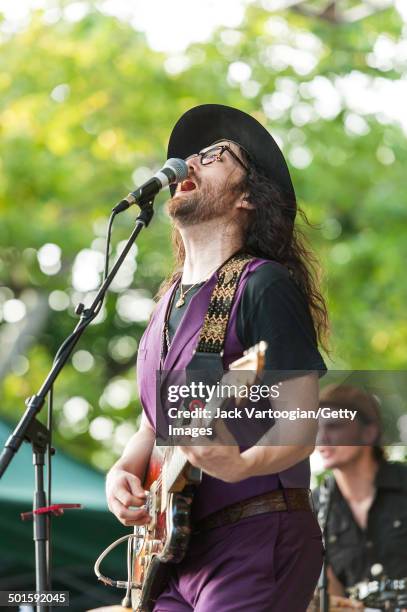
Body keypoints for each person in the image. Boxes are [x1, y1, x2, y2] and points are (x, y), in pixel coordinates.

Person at [106, 104, 329, 611]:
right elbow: (154, 426)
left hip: (252, 538)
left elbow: (300, 426)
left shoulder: (263, 285)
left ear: (247, 197)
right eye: (191, 156)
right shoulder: (164, 305)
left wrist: (242, 461)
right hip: (171, 555)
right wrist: (122, 470)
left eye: (214, 155)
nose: (190, 162)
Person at [313, 384, 407, 610]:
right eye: (315, 428)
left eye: (334, 426)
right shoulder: (314, 507)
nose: (322, 438)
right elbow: (330, 592)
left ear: (369, 432)